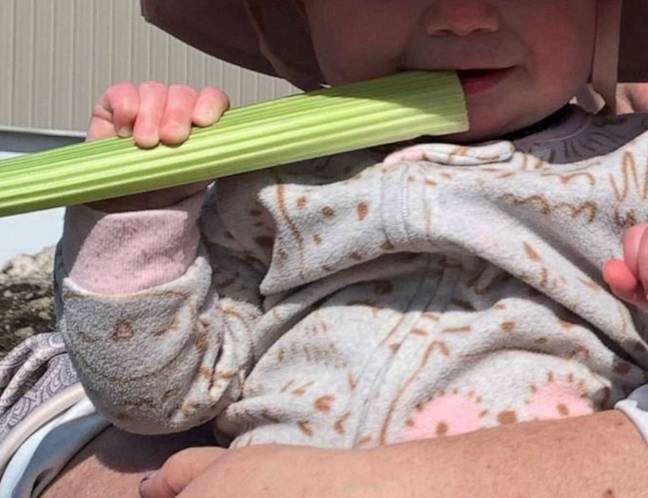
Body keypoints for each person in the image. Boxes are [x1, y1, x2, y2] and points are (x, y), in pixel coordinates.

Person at [3, 0, 648, 496]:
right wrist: (134, 210)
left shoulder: (633, 170)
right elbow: (159, 398)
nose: (459, 17)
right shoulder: (266, 184)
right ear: (300, 13)